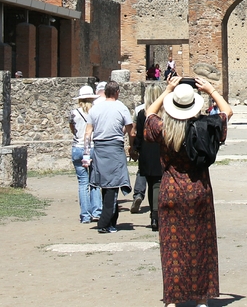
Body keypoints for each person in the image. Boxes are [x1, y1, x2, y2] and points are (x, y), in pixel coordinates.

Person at [144, 76, 233, 307]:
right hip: (199, 191)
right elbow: (227, 111)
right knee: (200, 244)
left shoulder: (162, 129)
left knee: (172, 246)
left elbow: (149, 114)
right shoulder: (205, 128)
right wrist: (211, 89)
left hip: (171, 192)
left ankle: (173, 300)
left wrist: (167, 90)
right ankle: (201, 297)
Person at [82, 81, 133, 234]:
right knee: (111, 185)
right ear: (117, 92)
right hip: (114, 148)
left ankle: (111, 221)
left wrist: (86, 153)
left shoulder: (95, 109)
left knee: (107, 186)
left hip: (99, 148)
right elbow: (130, 130)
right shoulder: (121, 107)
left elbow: (87, 133)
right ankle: (104, 223)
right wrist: (131, 146)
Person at [132, 83, 165, 230]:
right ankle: (157, 215)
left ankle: (153, 214)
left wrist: (136, 149)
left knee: (152, 183)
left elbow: (138, 135)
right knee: (159, 184)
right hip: (160, 150)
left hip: (146, 151)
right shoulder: (165, 113)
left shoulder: (142, 114)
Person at [69, 85, 102, 223]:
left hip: (78, 147)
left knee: (83, 183)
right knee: (95, 182)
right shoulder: (96, 112)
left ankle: (85, 215)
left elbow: (73, 128)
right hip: (93, 147)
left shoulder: (74, 113)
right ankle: (97, 211)